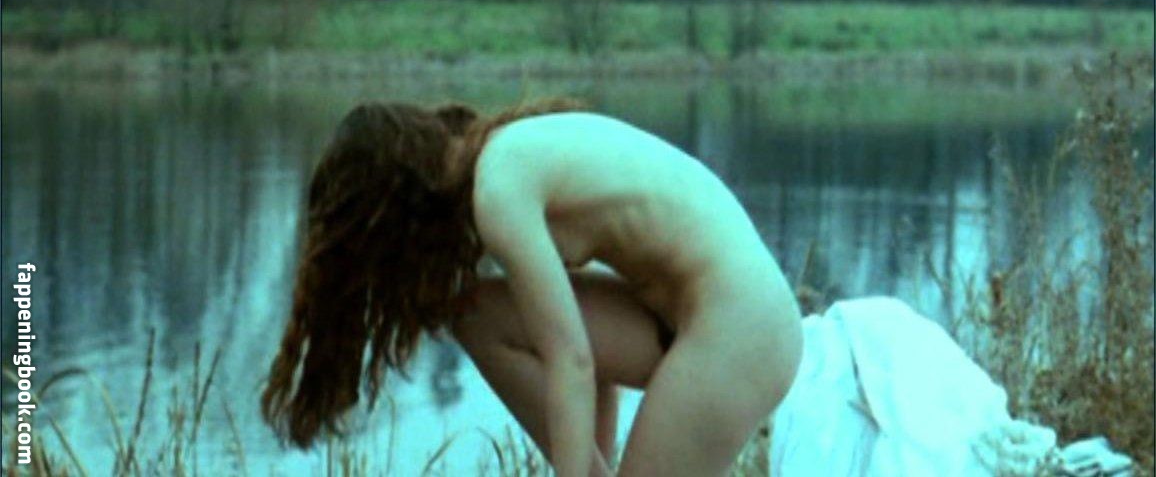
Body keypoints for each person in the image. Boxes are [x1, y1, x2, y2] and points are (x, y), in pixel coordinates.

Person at [261, 98, 804, 477]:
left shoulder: (499, 189)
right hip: (692, 314)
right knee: (475, 312)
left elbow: (573, 361)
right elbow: (584, 356)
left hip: (743, 330)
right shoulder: (504, 160)